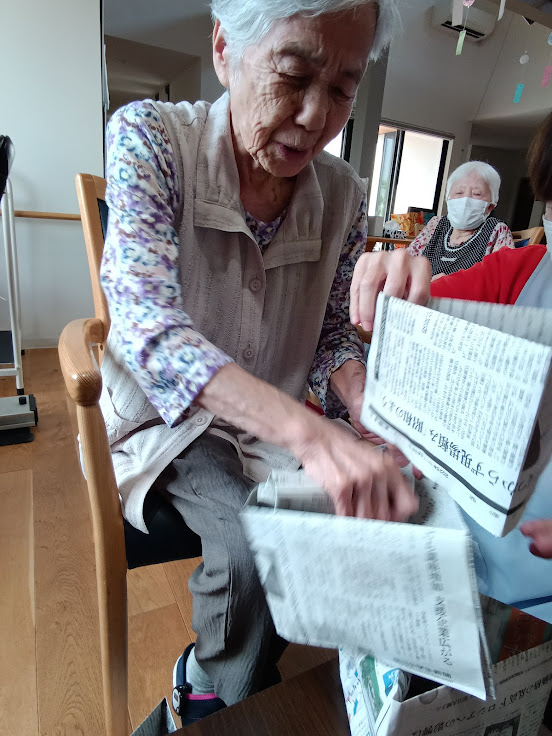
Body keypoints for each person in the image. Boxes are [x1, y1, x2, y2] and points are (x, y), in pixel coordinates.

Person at [99, 0, 417, 725]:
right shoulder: (150, 138)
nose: (314, 117)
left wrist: (360, 401)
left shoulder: (344, 196)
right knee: (251, 543)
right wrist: (311, 434)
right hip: (168, 423)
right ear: (224, 48)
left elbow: (332, 335)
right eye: (294, 75)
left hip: (267, 430)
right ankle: (209, 693)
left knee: (354, 518)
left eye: (342, 89)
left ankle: (237, 672)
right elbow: (150, 329)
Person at [350, 112, 552, 625]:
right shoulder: (522, 270)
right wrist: (394, 283)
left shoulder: (499, 239)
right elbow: (419, 307)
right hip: (463, 550)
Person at [408, 161, 514, 277]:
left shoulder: (497, 230)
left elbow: (502, 276)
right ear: (448, 199)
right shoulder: (436, 223)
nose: (466, 199)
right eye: (459, 192)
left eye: (477, 194)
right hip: (423, 287)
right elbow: (408, 261)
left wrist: (449, 282)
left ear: (490, 206)